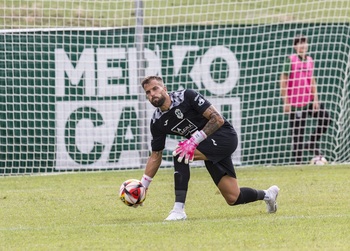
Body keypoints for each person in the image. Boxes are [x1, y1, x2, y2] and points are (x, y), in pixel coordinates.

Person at [138, 75, 279, 221]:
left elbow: (217, 119)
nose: (152, 94)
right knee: (233, 197)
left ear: (164, 89)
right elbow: (156, 155)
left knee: (180, 154)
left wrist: (193, 141)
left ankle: (178, 210)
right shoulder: (157, 121)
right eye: (148, 92)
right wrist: (143, 186)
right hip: (205, 146)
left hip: (224, 137)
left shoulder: (186, 96)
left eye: (155, 88)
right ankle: (268, 195)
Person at [280, 35, 330, 164]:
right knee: (297, 136)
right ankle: (298, 165)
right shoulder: (290, 60)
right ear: (295, 46)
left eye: (305, 43)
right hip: (295, 103)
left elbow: (312, 80)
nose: (303, 46)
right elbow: (283, 81)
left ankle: (312, 142)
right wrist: (286, 102)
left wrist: (316, 99)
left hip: (309, 100)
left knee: (325, 118)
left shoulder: (310, 60)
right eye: (300, 43)